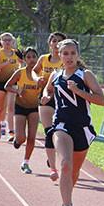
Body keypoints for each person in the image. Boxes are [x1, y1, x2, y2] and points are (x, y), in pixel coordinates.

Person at [41, 39, 104, 206]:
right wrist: (46, 97)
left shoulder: (85, 75)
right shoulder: (55, 75)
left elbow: (101, 100)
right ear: (59, 56)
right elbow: (48, 91)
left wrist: (79, 92)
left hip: (82, 127)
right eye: (65, 53)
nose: (69, 57)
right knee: (65, 164)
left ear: (77, 56)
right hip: (61, 124)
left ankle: (68, 194)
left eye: (72, 53)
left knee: (74, 171)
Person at [34, 32, 67, 181]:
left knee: (60, 132)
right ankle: (53, 168)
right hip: (46, 98)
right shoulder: (44, 59)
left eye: (59, 41)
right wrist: (38, 79)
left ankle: (54, 153)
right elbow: (33, 72)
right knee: (50, 132)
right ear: (49, 43)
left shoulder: (66, 60)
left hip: (63, 100)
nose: (55, 43)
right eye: (53, 41)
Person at [6, 47, 43, 174]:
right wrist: (17, 90)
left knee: (32, 137)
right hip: (20, 107)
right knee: (22, 138)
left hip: (34, 108)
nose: (32, 59)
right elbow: (7, 85)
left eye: (34, 56)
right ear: (24, 59)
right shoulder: (20, 73)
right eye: (28, 57)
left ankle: (26, 162)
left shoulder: (40, 74)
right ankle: (17, 141)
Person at [0, 33, 22, 141]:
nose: (7, 42)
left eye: (9, 40)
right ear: (1, 42)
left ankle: (11, 131)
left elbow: (24, 64)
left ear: (13, 41)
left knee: (11, 107)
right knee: (1, 108)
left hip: (12, 83)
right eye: (5, 40)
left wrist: (19, 71)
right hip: (0, 83)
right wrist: (4, 64)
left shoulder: (16, 53)